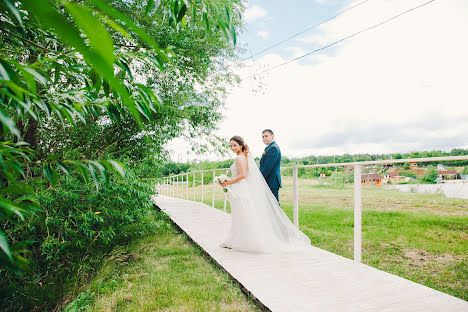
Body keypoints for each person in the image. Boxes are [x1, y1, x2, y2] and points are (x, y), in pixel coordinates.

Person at [220, 136, 310, 253]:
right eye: (231, 146)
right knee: (241, 213)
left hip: (239, 187)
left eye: (234, 145)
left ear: (241, 145)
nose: (232, 148)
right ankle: (235, 239)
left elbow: (242, 175)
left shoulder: (239, 158)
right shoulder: (244, 156)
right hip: (241, 187)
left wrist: (227, 182)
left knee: (240, 213)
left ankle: (239, 240)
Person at [260, 129, 282, 203]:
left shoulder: (273, 148)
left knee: (274, 205)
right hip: (269, 180)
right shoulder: (269, 147)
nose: (264, 138)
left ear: (272, 136)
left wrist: (260, 178)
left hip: (272, 181)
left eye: (266, 136)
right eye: (263, 137)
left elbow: (268, 167)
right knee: (270, 205)